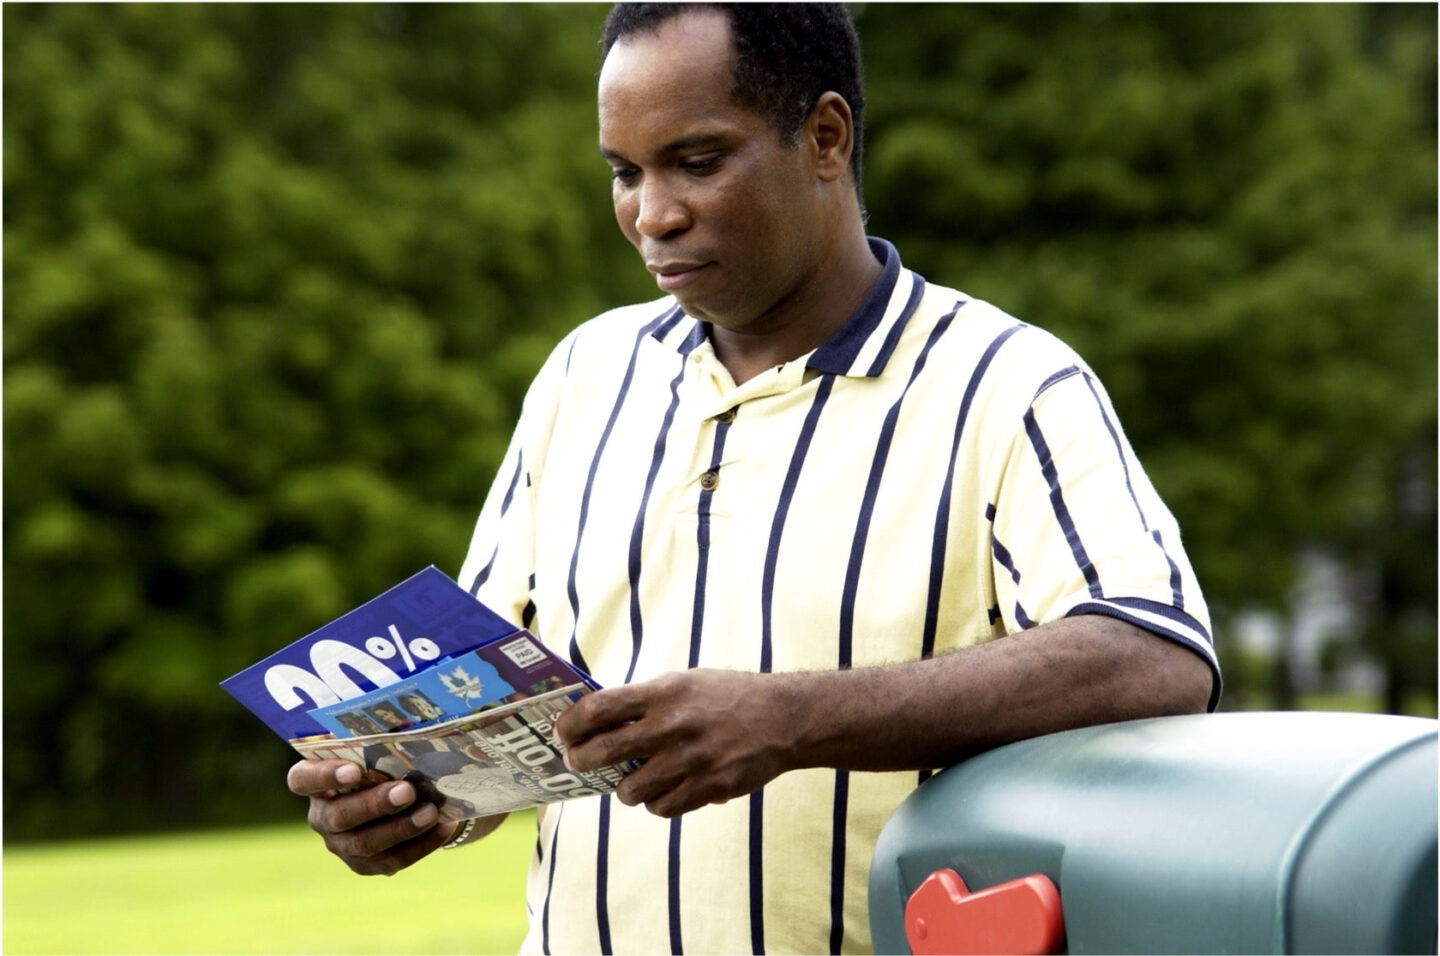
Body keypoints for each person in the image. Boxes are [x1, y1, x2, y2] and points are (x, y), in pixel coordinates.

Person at [287, 4, 1220, 952]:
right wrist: (405, 797)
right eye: (625, 172)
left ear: (824, 137)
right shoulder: (584, 373)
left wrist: (792, 718)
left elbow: (1153, 655)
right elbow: (487, 700)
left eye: (696, 161)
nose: (653, 213)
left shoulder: (1006, 383)